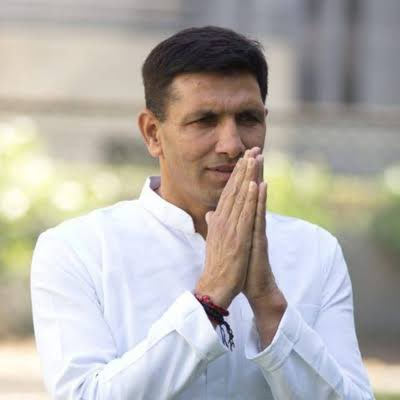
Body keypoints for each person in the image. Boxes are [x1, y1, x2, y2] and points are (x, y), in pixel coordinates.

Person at [31, 26, 374, 399]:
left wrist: (268, 304)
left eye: (248, 118)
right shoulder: (78, 251)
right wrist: (209, 299)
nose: (232, 144)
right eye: (204, 121)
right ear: (152, 133)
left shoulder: (315, 251)